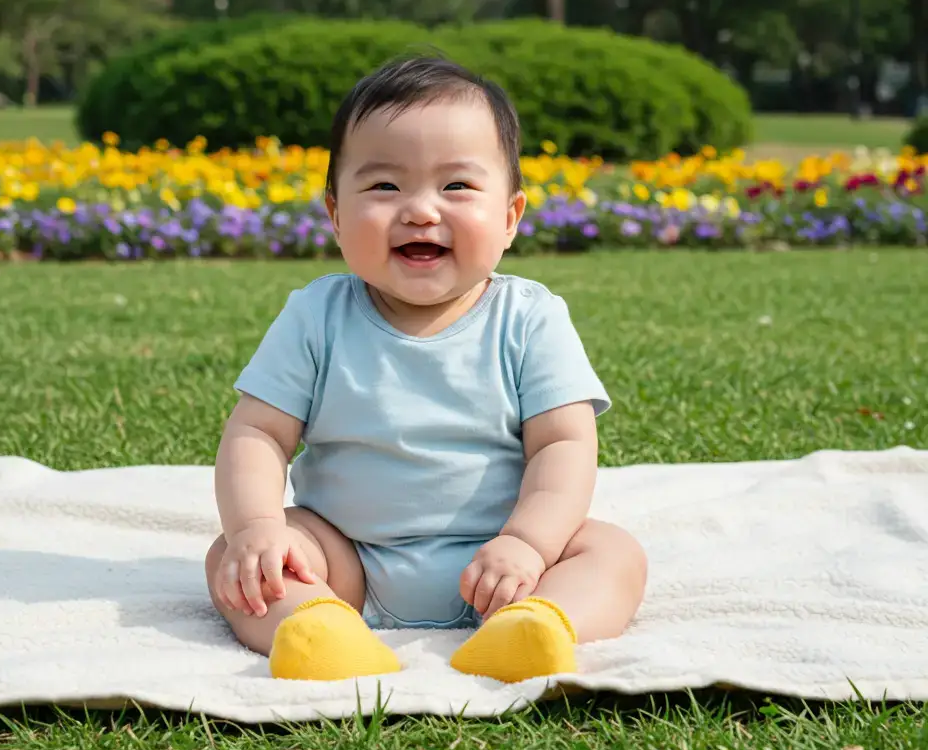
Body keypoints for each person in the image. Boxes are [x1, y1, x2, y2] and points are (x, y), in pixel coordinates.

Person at [205, 55, 648, 683]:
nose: (419, 210)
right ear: (335, 213)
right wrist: (257, 528)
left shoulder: (529, 317)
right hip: (345, 559)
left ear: (510, 217)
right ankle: (316, 629)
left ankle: (539, 625)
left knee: (612, 552)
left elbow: (564, 444)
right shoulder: (316, 316)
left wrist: (528, 542)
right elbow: (257, 433)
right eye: (384, 186)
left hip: (506, 563)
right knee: (240, 556)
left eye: (457, 186)